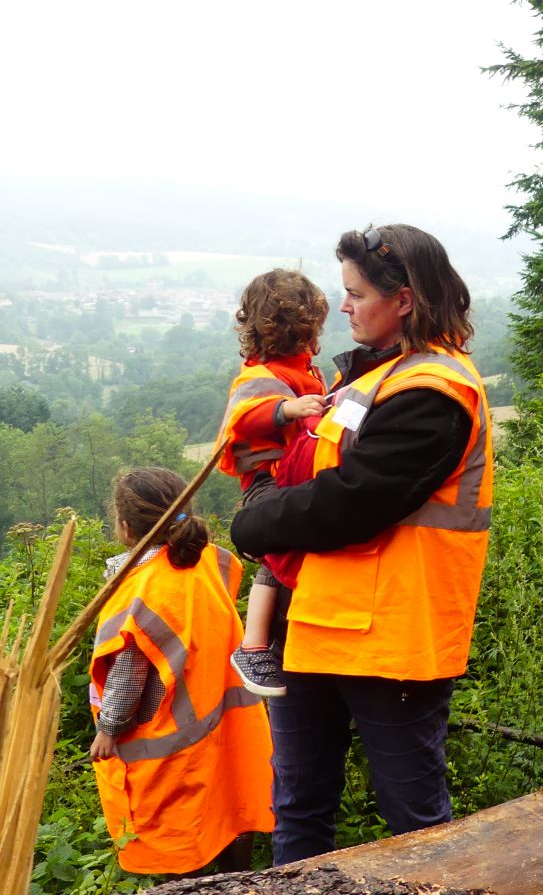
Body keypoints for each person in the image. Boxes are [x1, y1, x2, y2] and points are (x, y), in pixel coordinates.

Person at [230, 225, 494, 865]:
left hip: (394, 642)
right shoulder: (378, 376)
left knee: (415, 823)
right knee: (298, 805)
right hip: (318, 623)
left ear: (403, 299)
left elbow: (352, 501)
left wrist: (255, 522)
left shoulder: (435, 390)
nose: (343, 306)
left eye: (354, 293)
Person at [89, 467, 274, 876]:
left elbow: (129, 673)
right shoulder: (207, 560)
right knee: (230, 824)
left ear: (124, 527)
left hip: (173, 749)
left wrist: (109, 728)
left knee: (185, 851)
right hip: (228, 733)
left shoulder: (142, 588)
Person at [214, 268, 329, 699]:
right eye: (293, 330)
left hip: (291, 478)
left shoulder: (308, 371)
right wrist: (288, 409)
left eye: (306, 330)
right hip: (266, 482)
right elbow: (242, 420)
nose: (302, 339)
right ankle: (254, 643)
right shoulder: (259, 375)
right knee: (280, 543)